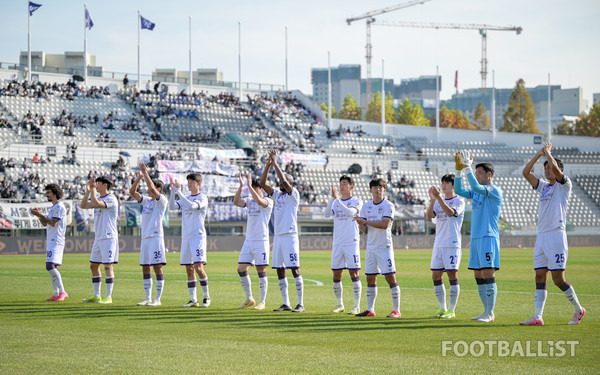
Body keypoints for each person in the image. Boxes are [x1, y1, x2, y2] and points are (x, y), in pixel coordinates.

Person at [520, 142, 585, 326]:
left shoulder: (565, 186)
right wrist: (539, 155)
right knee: (540, 276)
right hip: (542, 237)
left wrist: (549, 154)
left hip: (556, 236)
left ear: (558, 169)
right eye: (545, 168)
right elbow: (526, 173)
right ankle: (538, 316)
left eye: (550, 167)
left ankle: (579, 310)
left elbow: (556, 170)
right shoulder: (543, 186)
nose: (547, 170)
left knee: (558, 279)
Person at [454, 151, 502, 323]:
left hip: (488, 237)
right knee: (478, 275)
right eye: (475, 172)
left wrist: (467, 167)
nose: (476, 175)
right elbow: (458, 189)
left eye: (479, 172)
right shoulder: (477, 192)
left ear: (489, 175)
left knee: (488, 273)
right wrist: (459, 170)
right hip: (475, 238)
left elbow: (474, 187)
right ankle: (485, 311)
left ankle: (490, 313)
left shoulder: (494, 190)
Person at [260, 149, 304, 313]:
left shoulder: (294, 195)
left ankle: (300, 304)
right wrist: (268, 165)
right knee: (279, 269)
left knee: (295, 268)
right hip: (278, 237)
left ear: (290, 184)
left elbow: (284, 181)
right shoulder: (277, 194)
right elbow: (263, 184)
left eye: (284, 182)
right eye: (279, 183)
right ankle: (286, 303)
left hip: (290, 236)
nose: (280, 184)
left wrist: (277, 163)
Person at [353, 179, 401, 318]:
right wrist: (360, 223)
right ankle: (370, 309)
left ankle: (396, 310)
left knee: (390, 277)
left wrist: (366, 221)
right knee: (370, 277)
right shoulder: (366, 206)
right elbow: (364, 230)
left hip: (384, 247)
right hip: (371, 247)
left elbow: (385, 224)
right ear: (370, 190)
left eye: (380, 187)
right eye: (375, 187)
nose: (377, 190)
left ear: (384, 190)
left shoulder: (388, 205)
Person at [426, 174, 465, 319]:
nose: (444, 186)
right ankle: (442, 308)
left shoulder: (459, 200)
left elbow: (450, 213)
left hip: (452, 243)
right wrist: (432, 201)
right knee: (435, 275)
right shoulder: (437, 201)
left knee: (452, 275)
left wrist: (439, 198)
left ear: (453, 186)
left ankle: (451, 309)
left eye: (447, 183)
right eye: (442, 183)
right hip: (438, 244)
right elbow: (429, 215)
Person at [233, 172, 274, 310]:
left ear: (261, 189)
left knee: (260, 269)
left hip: (261, 241)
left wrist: (249, 186)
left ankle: (262, 301)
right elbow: (236, 202)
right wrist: (241, 186)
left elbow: (259, 201)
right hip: (248, 241)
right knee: (241, 269)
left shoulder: (268, 201)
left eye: (257, 187)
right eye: (253, 187)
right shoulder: (249, 201)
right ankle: (249, 298)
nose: (255, 189)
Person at [129, 162, 168, 306]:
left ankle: (158, 298)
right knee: (145, 267)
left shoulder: (161, 200)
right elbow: (132, 193)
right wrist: (139, 178)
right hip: (145, 237)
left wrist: (145, 173)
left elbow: (151, 187)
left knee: (157, 267)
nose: (148, 190)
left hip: (156, 237)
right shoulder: (146, 201)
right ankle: (147, 297)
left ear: (158, 189)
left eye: (151, 188)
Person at [169, 173, 210, 308]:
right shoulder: (185, 197)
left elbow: (192, 206)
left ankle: (206, 297)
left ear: (198, 184)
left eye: (192, 182)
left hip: (197, 237)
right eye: (188, 182)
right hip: (186, 237)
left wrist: (179, 192)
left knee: (198, 268)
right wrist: (173, 191)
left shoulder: (202, 198)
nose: (189, 184)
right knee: (189, 269)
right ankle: (193, 299)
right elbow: (172, 207)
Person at [323, 175, 363, 315]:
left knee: (354, 273)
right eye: (340, 184)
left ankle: (356, 305)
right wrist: (331, 199)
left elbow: (350, 213)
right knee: (336, 273)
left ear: (351, 187)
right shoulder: (336, 201)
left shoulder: (356, 201)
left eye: (345, 184)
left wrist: (337, 200)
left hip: (351, 242)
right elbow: (326, 214)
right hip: (338, 242)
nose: (341, 186)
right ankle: (340, 304)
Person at [80, 176, 119, 304]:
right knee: (93, 265)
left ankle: (108, 296)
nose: (96, 185)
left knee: (108, 266)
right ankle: (96, 295)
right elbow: (83, 205)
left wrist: (92, 190)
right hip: (98, 237)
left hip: (108, 236)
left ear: (105, 185)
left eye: (98, 183)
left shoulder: (111, 198)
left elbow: (96, 203)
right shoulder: (98, 197)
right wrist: (88, 192)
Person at [30, 184, 68, 302]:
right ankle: (55, 293)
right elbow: (45, 223)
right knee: (52, 266)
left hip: (56, 239)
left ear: (55, 193)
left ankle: (62, 292)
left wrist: (40, 215)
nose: (47, 195)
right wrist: (39, 216)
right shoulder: (53, 207)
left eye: (49, 193)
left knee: (50, 266)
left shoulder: (59, 207)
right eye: (46, 193)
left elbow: (53, 223)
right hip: (52, 239)